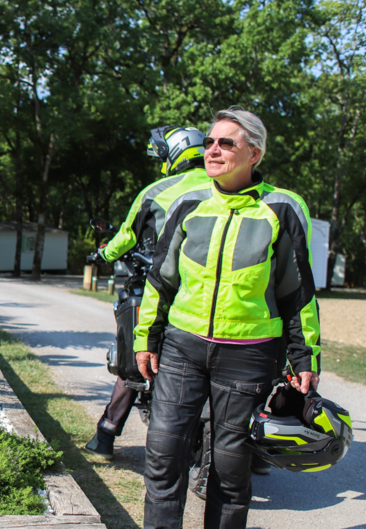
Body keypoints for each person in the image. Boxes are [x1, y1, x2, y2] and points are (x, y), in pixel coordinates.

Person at [134, 106, 321, 529]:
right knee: (163, 456)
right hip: (182, 348)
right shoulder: (189, 203)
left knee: (231, 470)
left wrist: (304, 357)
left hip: (250, 356)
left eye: (225, 143)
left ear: (254, 153)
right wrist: (146, 337)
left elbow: (298, 291)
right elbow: (161, 279)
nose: (212, 150)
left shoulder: (283, 207)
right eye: (209, 142)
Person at [84, 125, 210, 459]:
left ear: (174, 154)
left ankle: (106, 436)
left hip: (163, 287)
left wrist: (102, 255)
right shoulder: (228, 189)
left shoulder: (157, 191)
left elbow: (126, 236)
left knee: (135, 356)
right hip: (210, 294)